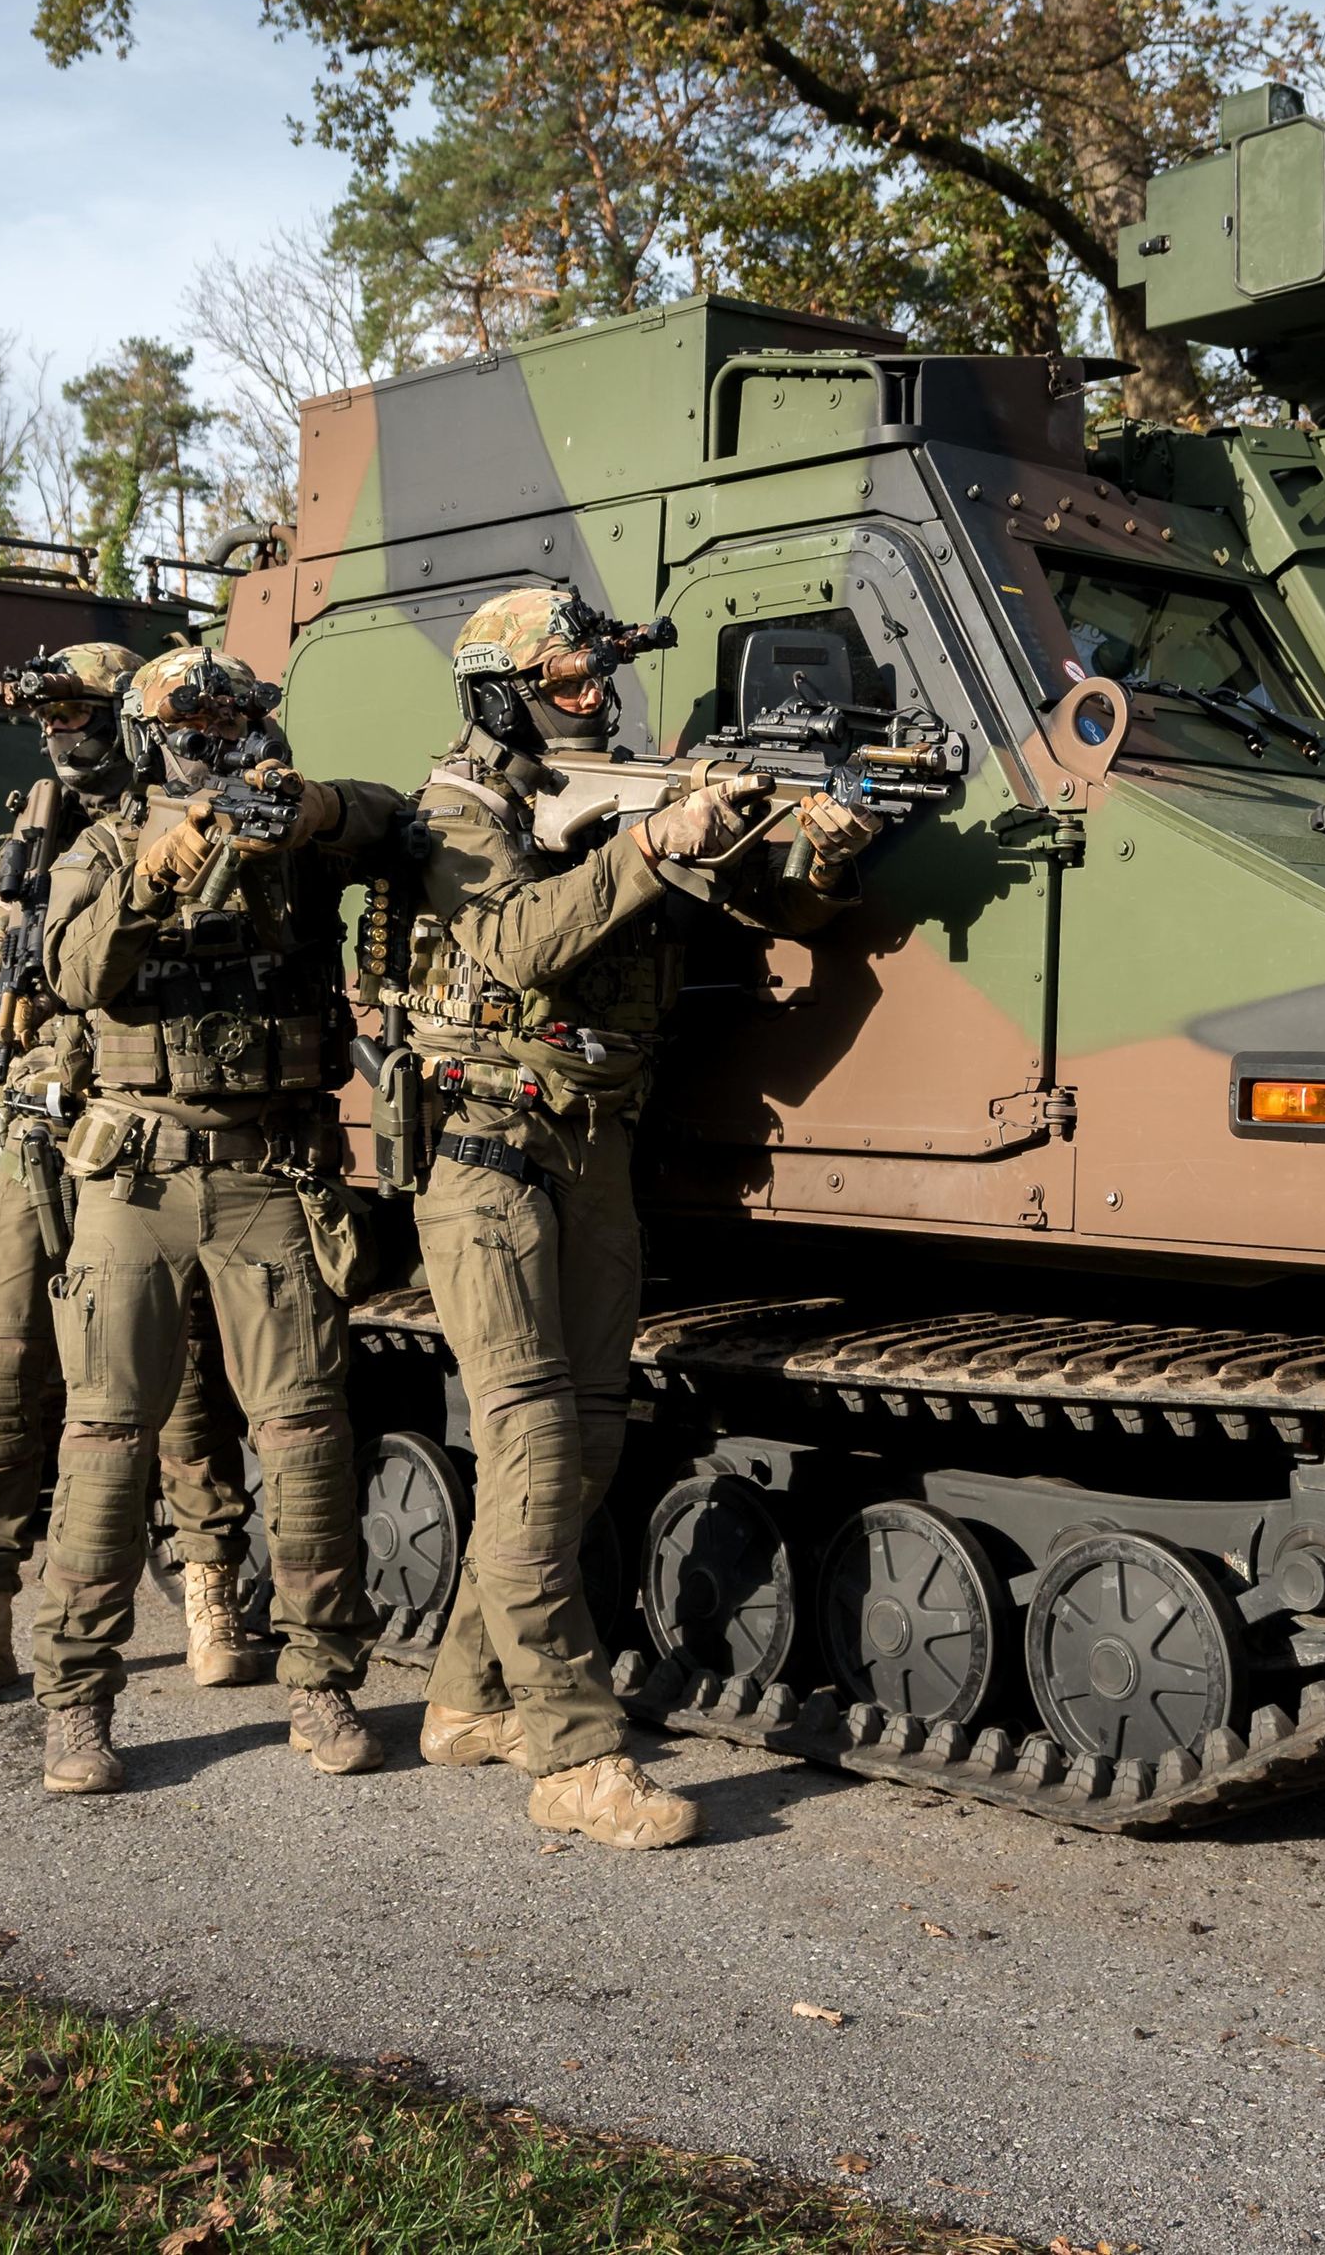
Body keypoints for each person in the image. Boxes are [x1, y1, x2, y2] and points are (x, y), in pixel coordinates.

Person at [399, 582, 875, 1849]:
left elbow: (780, 912)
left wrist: (818, 844)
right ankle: (571, 1756)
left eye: (597, 677)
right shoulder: (456, 810)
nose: (592, 696)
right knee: (536, 1443)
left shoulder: (615, 793)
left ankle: (463, 1700)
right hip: (486, 1145)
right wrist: (657, 840)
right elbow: (512, 941)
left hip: (597, 1143)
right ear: (502, 690)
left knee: (587, 1443)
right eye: (564, 683)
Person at [24, 648, 414, 1795]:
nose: (209, 741)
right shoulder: (102, 842)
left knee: (303, 1434)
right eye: (186, 725)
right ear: (150, 740)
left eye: (229, 721)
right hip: (133, 1177)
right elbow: (79, 971)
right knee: (103, 1442)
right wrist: (154, 873)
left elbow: (399, 825)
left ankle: (321, 1680)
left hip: (267, 1173)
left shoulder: (294, 837)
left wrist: (314, 809)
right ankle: (76, 1702)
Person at [0, 638, 274, 1708]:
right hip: (34, 1136)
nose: (61, 733)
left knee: (183, 1385)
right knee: (0, 1384)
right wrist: (5, 922)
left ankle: (210, 1593)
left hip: (143, 1130)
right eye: (48, 717)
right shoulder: (40, 822)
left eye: (79, 713)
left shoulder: (190, 808)